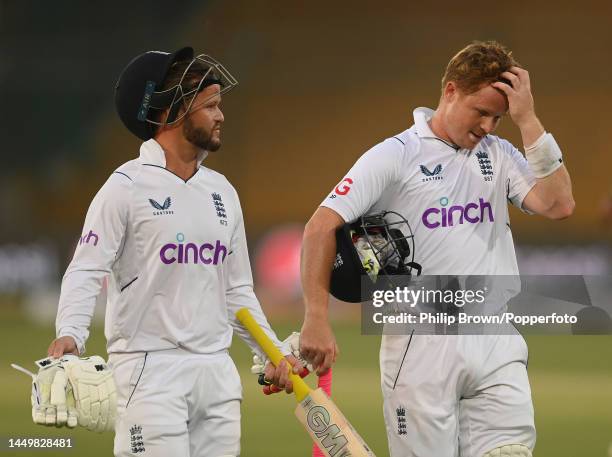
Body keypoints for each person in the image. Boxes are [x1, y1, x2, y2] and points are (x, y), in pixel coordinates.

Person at [298, 41, 574, 457]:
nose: (488, 126)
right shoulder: (395, 156)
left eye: (498, 117)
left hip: (495, 336)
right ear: (450, 91)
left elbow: (559, 205)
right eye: (481, 112)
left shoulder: (498, 155)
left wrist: (528, 119)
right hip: (420, 345)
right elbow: (320, 226)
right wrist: (316, 317)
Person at [46, 46, 299, 457]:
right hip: (149, 372)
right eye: (211, 105)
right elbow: (87, 268)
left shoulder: (222, 192)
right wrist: (71, 334)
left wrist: (271, 352)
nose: (221, 116)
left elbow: (236, 292)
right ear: (169, 113)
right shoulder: (124, 187)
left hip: (216, 374)